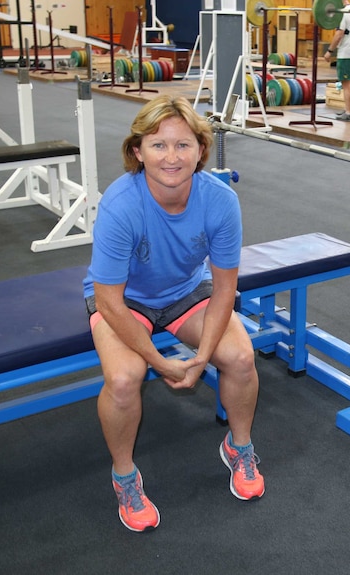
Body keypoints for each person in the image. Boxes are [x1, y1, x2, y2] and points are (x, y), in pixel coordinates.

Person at [83, 95, 264, 533]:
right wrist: (159, 361)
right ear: (137, 151)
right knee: (125, 378)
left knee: (240, 357)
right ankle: (124, 476)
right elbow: (108, 299)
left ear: (201, 150)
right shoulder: (120, 203)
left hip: (185, 290)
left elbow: (224, 288)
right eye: (158, 145)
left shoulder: (219, 200)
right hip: (126, 299)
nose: (171, 157)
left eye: (183, 145)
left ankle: (239, 447)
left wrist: (202, 356)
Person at [322, 0, 350, 122]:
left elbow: (339, 34)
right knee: (348, 82)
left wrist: (329, 51)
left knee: (346, 84)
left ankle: (349, 113)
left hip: (346, 53)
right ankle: (348, 109)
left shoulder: (343, 13)